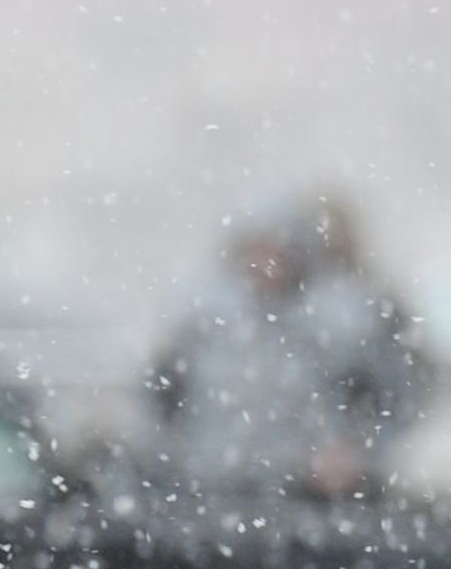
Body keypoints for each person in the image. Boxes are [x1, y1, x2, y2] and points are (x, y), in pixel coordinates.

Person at [148, 186, 434, 499]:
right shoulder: (204, 319)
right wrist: (175, 455)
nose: (266, 263)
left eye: (276, 251)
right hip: (209, 493)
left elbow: (401, 391)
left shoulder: (345, 320)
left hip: (310, 499)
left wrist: (359, 451)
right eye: (256, 250)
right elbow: (157, 397)